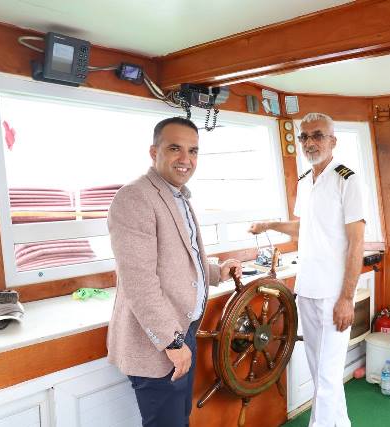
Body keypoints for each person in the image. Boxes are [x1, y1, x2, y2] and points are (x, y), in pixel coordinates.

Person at [107, 117, 242, 427]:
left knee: (180, 419)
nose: (186, 159)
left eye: (193, 151)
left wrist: (217, 272)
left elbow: (179, 259)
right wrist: (172, 342)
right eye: (174, 148)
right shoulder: (135, 197)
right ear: (154, 152)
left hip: (184, 331)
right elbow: (139, 281)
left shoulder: (177, 194)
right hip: (159, 342)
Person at [250, 112, 365, 427]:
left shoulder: (347, 180)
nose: (310, 143)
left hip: (333, 294)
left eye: (317, 135)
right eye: (304, 137)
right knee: (321, 372)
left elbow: (357, 242)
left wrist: (346, 298)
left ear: (332, 141)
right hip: (307, 289)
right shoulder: (304, 181)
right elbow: (304, 228)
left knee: (327, 376)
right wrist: (269, 225)